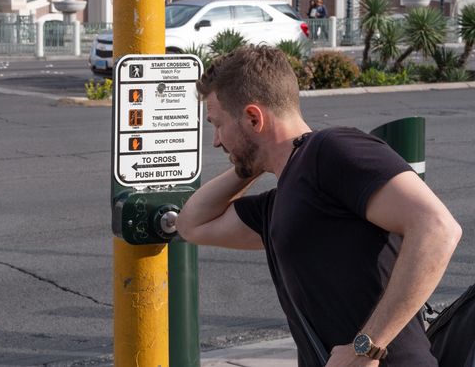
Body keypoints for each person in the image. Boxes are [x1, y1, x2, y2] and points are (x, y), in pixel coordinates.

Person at [176, 45, 462, 367]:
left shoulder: (331, 151)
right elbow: (192, 224)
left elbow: (437, 229)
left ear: (253, 117)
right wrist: (253, 160)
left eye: (218, 124)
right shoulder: (280, 201)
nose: (216, 141)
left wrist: (366, 346)